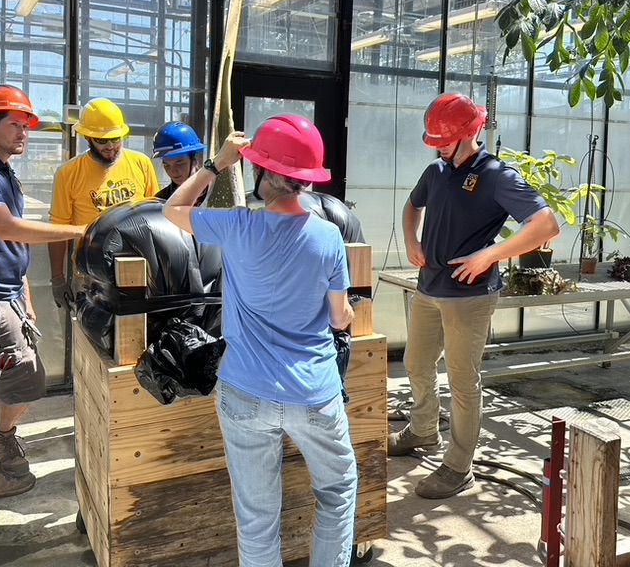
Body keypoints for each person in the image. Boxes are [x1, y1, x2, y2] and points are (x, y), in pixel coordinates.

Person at [163, 116, 358, 567]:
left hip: (244, 391)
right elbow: (339, 316)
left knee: (256, 517)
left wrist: (216, 164)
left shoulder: (237, 226)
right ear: (306, 180)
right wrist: (346, 318)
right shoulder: (329, 236)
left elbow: (172, 210)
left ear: (265, 174)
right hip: (315, 394)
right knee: (337, 492)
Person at [390, 93, 561, 499]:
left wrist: (490, 255)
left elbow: (546, 225)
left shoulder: (497, 176)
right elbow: (412, 207)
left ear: (470, 133)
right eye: (433, 141)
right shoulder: (436, 171)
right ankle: (422, 430)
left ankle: (457, 467)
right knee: (415, 363)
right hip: (429, 288)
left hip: (469, 297)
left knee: (463, 381)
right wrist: (412, 239)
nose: (439, 147)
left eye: (444, 140)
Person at [0, 84, 85, 507]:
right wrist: (82, 230)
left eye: (26, 124)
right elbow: (7, 229)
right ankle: (1, 444)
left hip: (2, 297)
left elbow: (12, 246)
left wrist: (25, 294)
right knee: (27, 383)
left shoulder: (6, 173)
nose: (24, 131)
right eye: (14, 124)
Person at [48, 98, 159, 314]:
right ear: (88, 137)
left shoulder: (141, 164)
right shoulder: (68, 173)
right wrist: (57, 279)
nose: (110, 146)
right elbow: (57, 231)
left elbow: (155, 216)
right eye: (101, 141)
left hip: (138, 268)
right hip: (91, 274)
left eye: (115, 139)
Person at [152, 120, 206, 200]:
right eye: (166, 165)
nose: (172, 171)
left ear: (194, 160)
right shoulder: (162, 200)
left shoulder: (213, 192)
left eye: (179, 163)